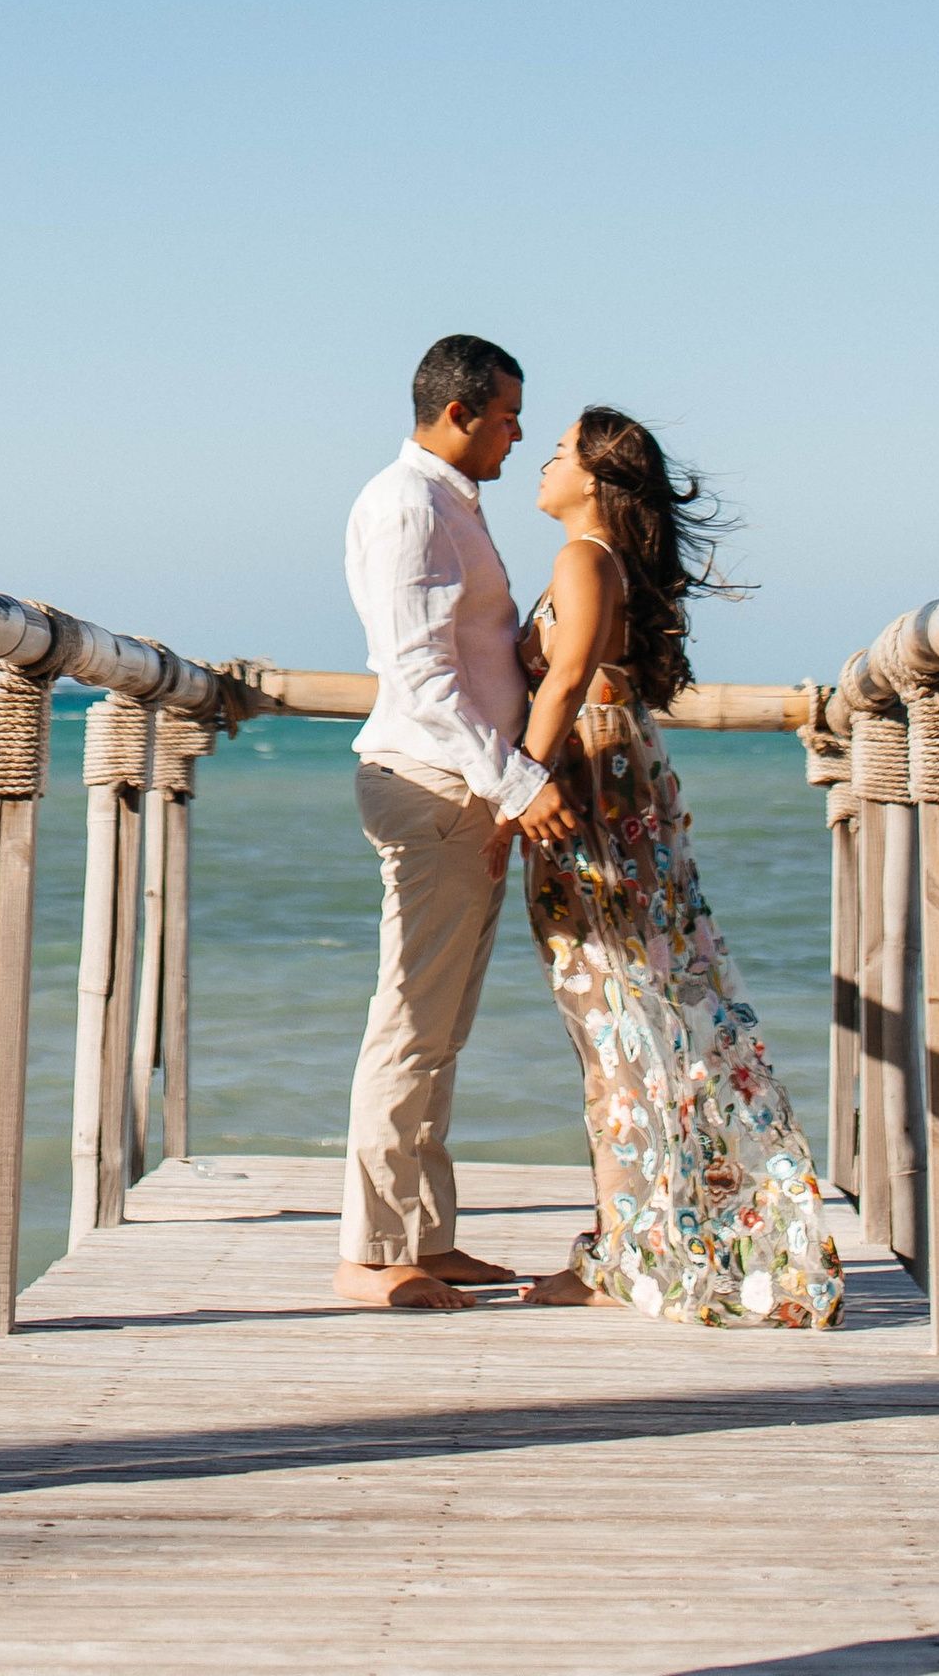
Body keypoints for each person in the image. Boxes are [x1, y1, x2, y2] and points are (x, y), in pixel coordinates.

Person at [509, 409, 846, 1326]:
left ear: (594, 476)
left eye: (560, 451)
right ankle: (668, 1234)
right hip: (627, 788)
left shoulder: (582, 559)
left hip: (588, 790)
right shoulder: (612, 563)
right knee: (649, 1017)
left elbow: (569, 673)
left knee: (615, 1027)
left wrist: (514, 787)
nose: (542, 462)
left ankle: (629, 1252)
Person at [333, 335, 574, 1310]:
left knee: (439, 1032)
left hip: (458, 786)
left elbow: (461, 657)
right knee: (408, 1027)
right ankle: (371, 1255)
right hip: (434, 786)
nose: (519, 436)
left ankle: (423, 1240)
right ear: (461, 412)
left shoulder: (448, 507)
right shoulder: (408, 507)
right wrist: (517, 783)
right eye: (510, 416)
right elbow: (421, 676)